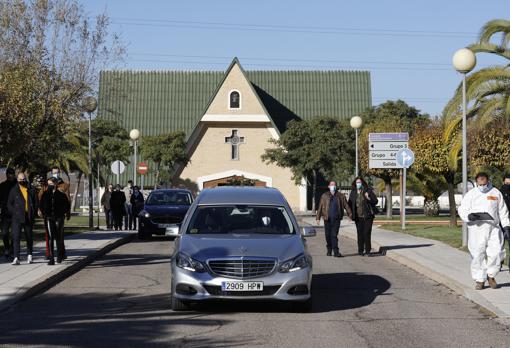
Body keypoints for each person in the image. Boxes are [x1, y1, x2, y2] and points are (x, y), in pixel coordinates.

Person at [458, 172, 510, 290]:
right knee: (478, 254)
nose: (482, 184)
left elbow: (503, 211)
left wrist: (506, 226)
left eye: (484, 181)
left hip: (493, 228)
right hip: (477, 229)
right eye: (479, 182)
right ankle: (480, 279)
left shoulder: (496, 193)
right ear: (476, 182)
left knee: (496, 253)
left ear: (488, 181)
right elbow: (462, 209)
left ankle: (491, 276)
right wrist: (469, 216)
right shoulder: (471, 194)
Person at [7, 173, 38, 265]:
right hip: (17, 218)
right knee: (16, 237)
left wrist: (34, 212)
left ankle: (30, 255)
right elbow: (9, 203)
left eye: (24, 179)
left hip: (28, 217)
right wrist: (14, 212)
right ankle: (16, 257)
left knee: (29, 237)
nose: (22, 181)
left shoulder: (31, 189)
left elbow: (36, 202)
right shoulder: (14, 190)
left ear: (26, 179)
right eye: (20, 179)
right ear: (17, 179)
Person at [316, 181, 352, 257]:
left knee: (334, 235)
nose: (333, 186)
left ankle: (336, 252)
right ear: (329, 186)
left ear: (336, 186)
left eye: (334, 185)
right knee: (327, 236)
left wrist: (350, 215)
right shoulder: (324, 195)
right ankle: (329, 250)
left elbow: (346, 206)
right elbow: (320, 207)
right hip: (327, 219)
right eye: (331, 185)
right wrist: (318, 218)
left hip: (336, 219)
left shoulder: (341, 196)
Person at [40, 178, 70, 265]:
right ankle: (51, 258)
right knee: (50, 237)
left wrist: (62, 212)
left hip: (58, 218)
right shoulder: (45, 194)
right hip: (49, 218)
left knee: (59, 237)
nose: (49, 185)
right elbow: (41, 204)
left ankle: (59, 256)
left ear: (55, 184)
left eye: (51, 184)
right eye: (48, 183)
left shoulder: (61, 194)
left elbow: (66, 205)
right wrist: (45, 213)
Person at [348, 177, 379, 256]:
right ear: (355, 183)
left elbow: (375, 201)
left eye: (360, 182)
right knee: (360, 234)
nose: (358, 184)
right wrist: (350, 214)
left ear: (362, 183)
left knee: (367, 233)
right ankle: (360, 250)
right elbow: (350, 204)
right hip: (358, 217)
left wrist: (368, 198)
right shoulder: (353, 192)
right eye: (357, 182)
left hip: (368, 216)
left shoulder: (368, 191)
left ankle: (368, 250)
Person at [0, 168, 17, 260]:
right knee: (5, 233)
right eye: (8, 174)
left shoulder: (17, 185)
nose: (10, 175)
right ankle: (7, 248)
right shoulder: (2, 185)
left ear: (14, 174)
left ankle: (12, 250)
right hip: (5, 214)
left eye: (11, 174)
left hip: (15, 213)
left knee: (15, 234)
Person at [500, 173, 510, 269]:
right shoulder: (499, 193)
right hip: (501, 222)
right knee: (499, 244)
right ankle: (499, 261)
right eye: (506, 183)